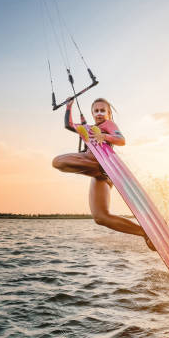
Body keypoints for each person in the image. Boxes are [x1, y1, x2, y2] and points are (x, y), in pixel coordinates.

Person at [52, 97, 156, 250]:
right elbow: (69, 125)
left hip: (103, 166)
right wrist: (69, 106)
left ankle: (101, 168)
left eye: (103, 111)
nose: (99, 113)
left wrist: (104, 136)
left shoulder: (108, 124)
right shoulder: (88, 128)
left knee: (57, 162)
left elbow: (121, 140)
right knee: (101, 217)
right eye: (96, 111)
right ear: (92, 113)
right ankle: (145, 233)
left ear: (108, 114)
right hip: (99, 174)